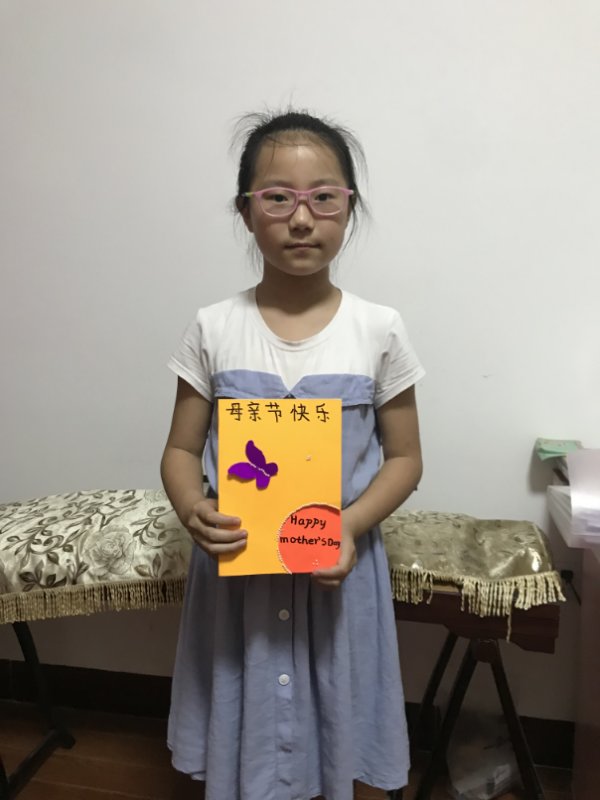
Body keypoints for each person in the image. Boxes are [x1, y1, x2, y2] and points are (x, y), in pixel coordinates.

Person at [160, 109, 425, 800]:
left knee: (334, 722)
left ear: (349, 208)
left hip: (337, 570)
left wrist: (347, 526)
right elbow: (181, 449)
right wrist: (192, 509)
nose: (301, 219)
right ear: (246, 211)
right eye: (278, 197)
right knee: (244, 723)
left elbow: (405, 459)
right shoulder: (214, 327)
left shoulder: (378, 329)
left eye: (323, 198)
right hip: (237, 576)